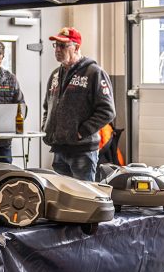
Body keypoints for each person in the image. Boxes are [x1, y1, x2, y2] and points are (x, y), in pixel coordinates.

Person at [42, 27, 116, 181]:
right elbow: (47, 107)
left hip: (82, 151)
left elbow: (107, 111)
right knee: (61, 192)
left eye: (63, 46)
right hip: (59, 149)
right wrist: (47, 128)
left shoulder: (94, 73)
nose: (57, 50)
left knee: (83, 193)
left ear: (76, 47)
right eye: (56, 45)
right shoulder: (55, 74)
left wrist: (81, 132)